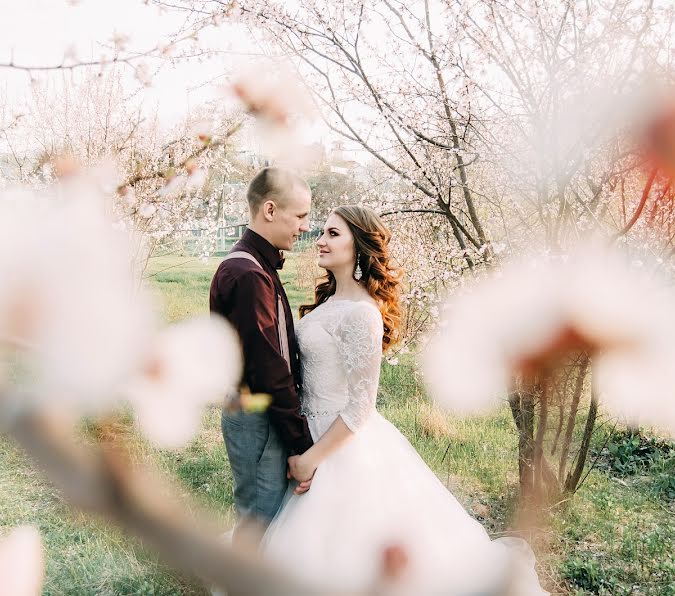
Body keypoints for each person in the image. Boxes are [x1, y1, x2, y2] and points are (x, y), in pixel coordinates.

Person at [261, 205, 548, 595]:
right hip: (308, 430)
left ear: (359, 246)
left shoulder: (362, 313)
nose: (320, 240)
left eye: (332, 233)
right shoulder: (329, 303)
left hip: (339, 445)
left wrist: (311, 459)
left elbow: (360, 406)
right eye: (322, 232)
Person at [209, 167, 314, 546]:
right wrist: (301, 442)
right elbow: (269, 368)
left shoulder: (256, 266)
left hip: (259, 414)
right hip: (257, 417)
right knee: (259, 523)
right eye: (300, 216)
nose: (305, 227)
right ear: (270, 210)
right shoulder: (248, 273)